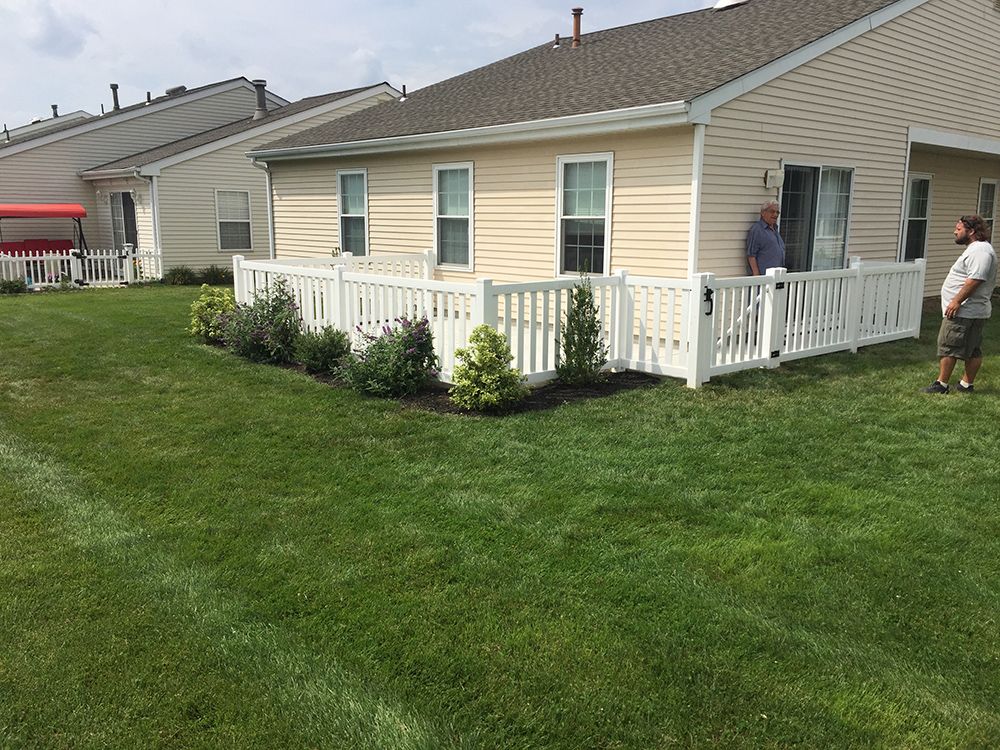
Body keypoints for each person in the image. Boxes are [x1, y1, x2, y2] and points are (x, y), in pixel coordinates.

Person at [922, 214, 997, 394]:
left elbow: (975, 279)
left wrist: (956, 301)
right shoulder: (978, 249)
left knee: (948, 345)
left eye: (958, 229)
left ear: (971, 231)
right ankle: (965, 385)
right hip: (971, 310)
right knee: (972, 349)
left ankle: (941, 385)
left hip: (964, 310)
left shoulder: (980, 251)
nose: (954, 231)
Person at [746, 200, 785, 276]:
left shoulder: (775, 229)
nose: (775, 214)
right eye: (772, 211)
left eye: (777, 212)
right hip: (763, 278)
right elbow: (751, 255)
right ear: (763, 213)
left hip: (776, 277)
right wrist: (757, 277)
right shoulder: (757, 230)